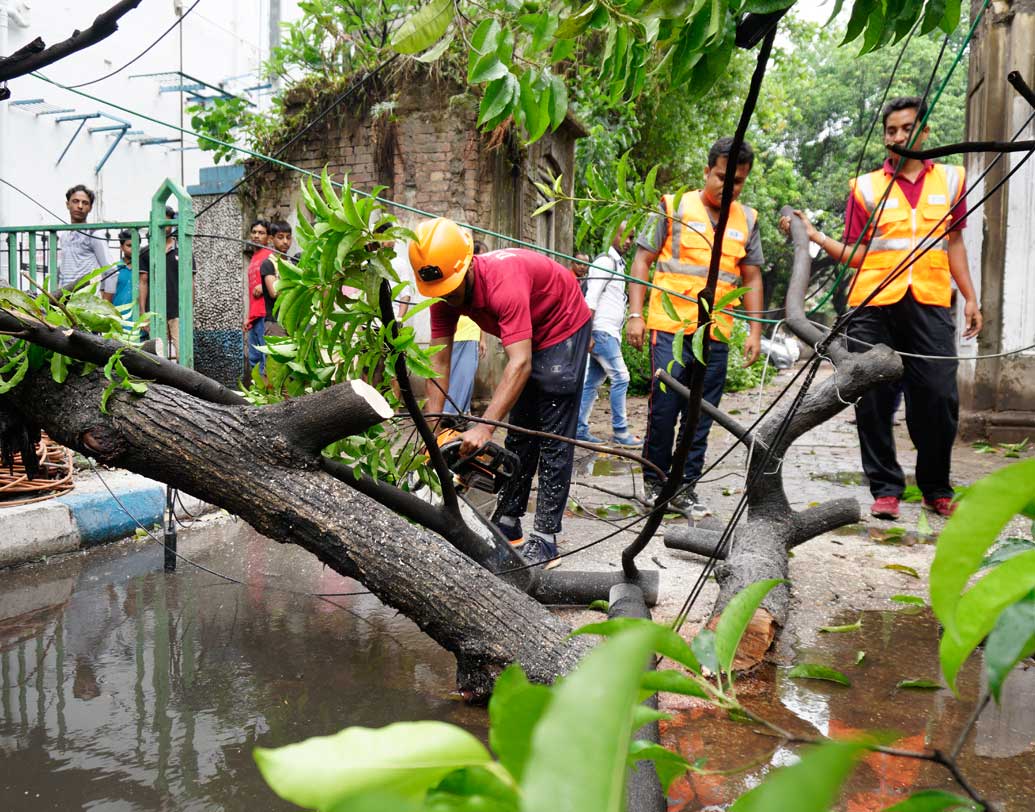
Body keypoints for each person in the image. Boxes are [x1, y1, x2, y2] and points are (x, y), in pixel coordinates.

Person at [782, 96, 981, 520]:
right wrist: (816, 236)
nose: (899, 137)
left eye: (907, 128)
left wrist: (970, 297)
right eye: (891, 131)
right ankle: (885, 488)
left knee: (938, 397)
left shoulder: (951, 180)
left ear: (924, 131)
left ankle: (935, 487)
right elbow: (856, 255)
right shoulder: (866, 187)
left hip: (929, 301)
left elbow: (955, 243)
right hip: (872, 305)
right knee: (871, 397)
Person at [413, 218, 592, 566]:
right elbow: (439, 361)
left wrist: (484, 427)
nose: (447, 297)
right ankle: (509, 521)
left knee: (552, 434)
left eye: (451, 289)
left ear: (467, 267)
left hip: (563, 323)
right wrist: (432, 428)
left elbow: (520, 363)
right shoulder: (442, 295)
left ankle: (546, 538)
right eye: (440, 292)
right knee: (520, 430)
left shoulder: (502, 283)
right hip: (530, 330)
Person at [628, 137, 764, 517]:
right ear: (707, 171)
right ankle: (655, 483)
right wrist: (635, 315)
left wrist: (755, 331)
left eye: (738, 181)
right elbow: (642, 260)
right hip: (669, 327)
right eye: (721, 177)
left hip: (715, 333)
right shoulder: (673, 206)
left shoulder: (747, 220)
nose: (728, 187)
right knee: (664, 410)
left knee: (701, 415)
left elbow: (752, 277)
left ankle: (685, 486)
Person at [576, 224, 640, 447]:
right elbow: (591, 299)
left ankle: (578, 429)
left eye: (632, 237)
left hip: (608, 332)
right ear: (612, 234)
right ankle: (620, 432)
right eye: (625, 236)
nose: (629, 242)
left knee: (591, 382)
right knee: (622, 378)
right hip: (601, 332)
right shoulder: (605, 262)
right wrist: (587, 333)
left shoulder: (617, 264)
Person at [139, 206, 197, 361]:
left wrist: (189, 310)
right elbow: (143, 282)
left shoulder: (184, 250)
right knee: (158, 357)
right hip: (155, 312)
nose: (162, 224)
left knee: (183, 354)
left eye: (166, 221)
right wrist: (143, 313)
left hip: (179, 311)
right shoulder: (146, 252)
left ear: (172, 223)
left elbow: (191, 282)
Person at [58, 184, 116, 301]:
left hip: (87, 302)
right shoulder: (64, 236)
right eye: (75, 201)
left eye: (85, 203)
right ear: (67, 204)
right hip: (64, 300)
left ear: (90, 208)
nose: (80, 206)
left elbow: (111, 272)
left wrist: (105, 305)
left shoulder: (94, 234)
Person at [244, 219, 274, 377]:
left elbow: (282, 279)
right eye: (254, 232)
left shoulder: (271, 256)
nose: (256, 236)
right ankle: (257, 390)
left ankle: (267, 392)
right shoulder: (254, 257)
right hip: (254, 317)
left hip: (265, 315)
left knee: (266, 360)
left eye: (261, 233)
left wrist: (264, 286)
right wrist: (248, 317)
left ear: (268, 237)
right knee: (254, 361)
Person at [261, 221, 292, 338]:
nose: (285, 241)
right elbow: (274, 292)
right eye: (280, 237)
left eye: (288, 237)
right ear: (271, 239)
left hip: (292, 321)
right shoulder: (268, 264)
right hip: (275, 322)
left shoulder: (293, 263)